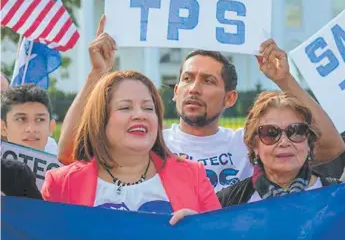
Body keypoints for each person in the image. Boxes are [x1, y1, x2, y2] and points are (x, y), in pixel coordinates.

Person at [58, 15, 345, 192]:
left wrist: (285, 80)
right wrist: (97, 74)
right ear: (175, 92)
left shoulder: (251, 145)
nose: (194, 88)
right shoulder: (147, 143)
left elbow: (332, 147)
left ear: (230, 98)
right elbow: (70, 152)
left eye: (208, 81)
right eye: (187, 78)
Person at [42, 71, 220, 224]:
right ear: (100, 119)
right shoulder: (61, 183)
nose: (139, 115)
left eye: (148, 108)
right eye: (126, 107)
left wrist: (201, 230)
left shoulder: (192, 175)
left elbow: (224, 234)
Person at [217, 92, 341, 207]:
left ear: (308, 142)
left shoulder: (338, 195)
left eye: (296, 131)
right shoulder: (227, 202)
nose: (284, 142)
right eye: (270, 133)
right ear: (254, 146)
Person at [0, 73, 58, 154]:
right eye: (21, 119)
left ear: (51, 127)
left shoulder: (57, 154)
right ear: (3, 128)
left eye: (40, 119)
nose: (31, 129)